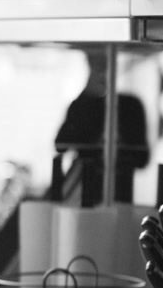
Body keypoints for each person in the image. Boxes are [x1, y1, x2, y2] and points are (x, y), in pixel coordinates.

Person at [54, 46, 149, 205]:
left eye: (104, 61)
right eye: (95, 60)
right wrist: (87, 94)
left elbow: (142, 158)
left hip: (119, 193)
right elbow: (61, 144)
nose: (101, 68)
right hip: (84, 193)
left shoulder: (130, 105)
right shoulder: (81, 105)